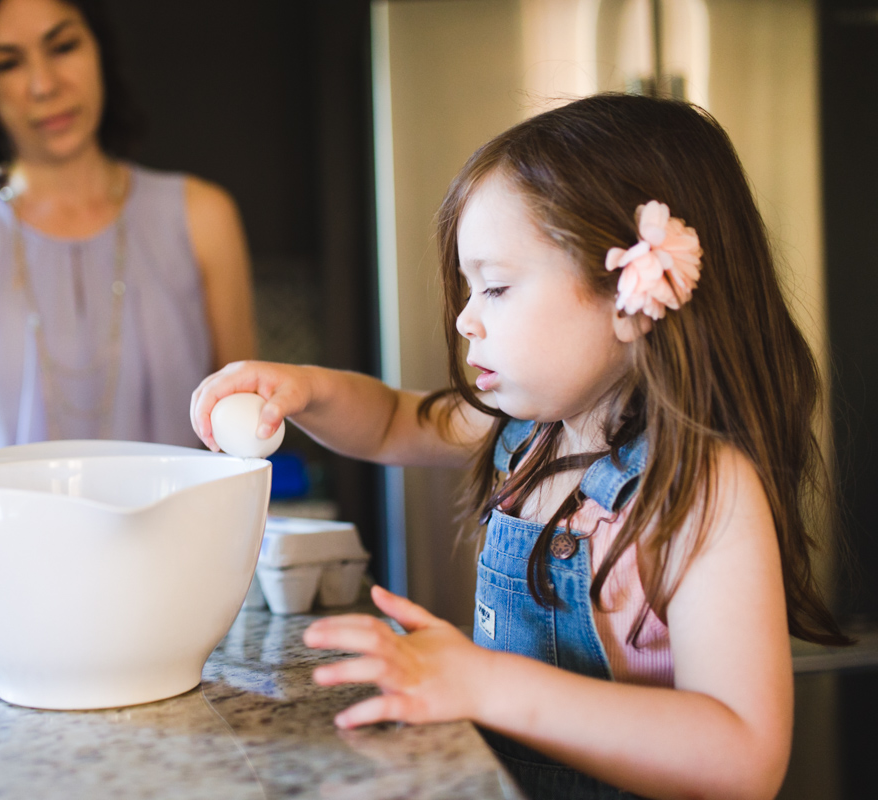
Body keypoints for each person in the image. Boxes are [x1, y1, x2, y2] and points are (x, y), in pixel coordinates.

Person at [190, 94, 848, 800]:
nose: (468, 318)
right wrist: (305, 389)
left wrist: (486, 683)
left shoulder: (702, 489)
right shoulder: (528, 434)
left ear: (629, 299)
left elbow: (742, 758)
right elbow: (391, 422)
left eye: (496, 286)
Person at [0, 0, 256, 506]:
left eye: (63, 47)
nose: (44, 84)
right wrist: (16, 502)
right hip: (0, 565)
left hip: (173, 568)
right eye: (7, 63)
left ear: (99, 47)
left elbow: (247, 424)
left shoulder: (204, 216)